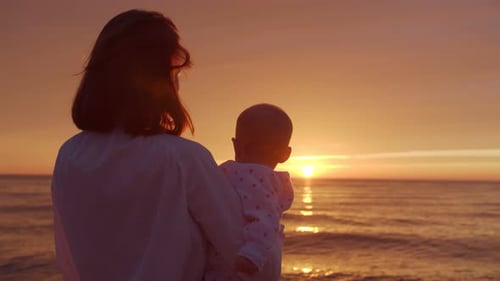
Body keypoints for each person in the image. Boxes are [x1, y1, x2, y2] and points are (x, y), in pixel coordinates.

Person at [51, 9, 245, 281]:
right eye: (173, 71)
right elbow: (246, 258)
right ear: (160, 79)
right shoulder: (183, 158)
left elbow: (68, 261)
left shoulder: (69, 155)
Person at [205, 103, 295, 281]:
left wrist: (252, 256)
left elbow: (265, 220)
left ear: (236, 145)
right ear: (285, 154)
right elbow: (267, 220)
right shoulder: (272, 182)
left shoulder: (245, 175)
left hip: (234, 267)